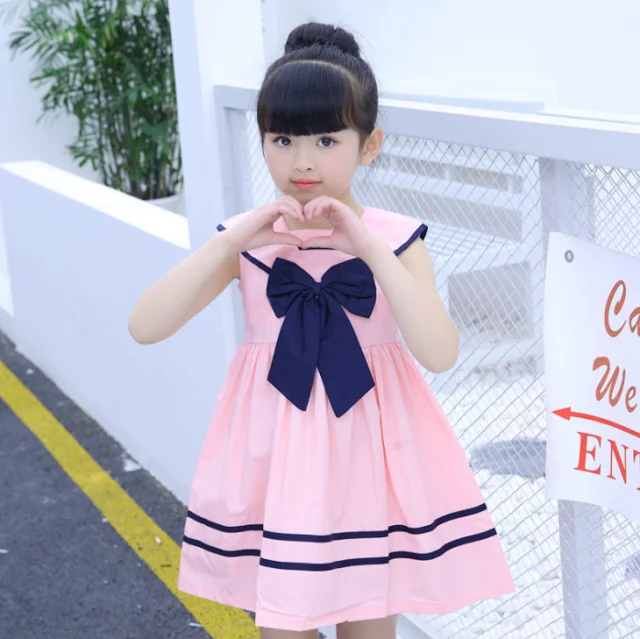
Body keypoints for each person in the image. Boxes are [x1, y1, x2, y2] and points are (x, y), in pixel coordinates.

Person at [128, 20, 514, 639]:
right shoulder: (249, 242)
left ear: (369, 144)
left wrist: (367, 247)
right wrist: (233, 239)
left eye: (327, 140)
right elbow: (146, 325)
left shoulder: (396, 240)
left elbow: (440, 352)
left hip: (371, 464)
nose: (302, 161)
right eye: (282, 139)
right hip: (276, 466)